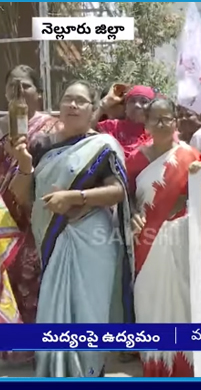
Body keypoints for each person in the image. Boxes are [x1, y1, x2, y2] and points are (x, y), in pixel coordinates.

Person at [6, 80, 130, 377]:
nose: (73, 105)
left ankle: (89, 373)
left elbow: (118, 191)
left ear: (92, 110)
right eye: (67, 99)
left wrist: (74, 197)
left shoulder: (103, 146)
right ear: (58, 106)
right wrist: (24, 165)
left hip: (92, 241)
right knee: (55, 312)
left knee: (89, 313)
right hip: (52, 237)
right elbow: (22, 195)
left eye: (81, 101)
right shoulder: (41, 146)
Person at [127, 98, 201, 377]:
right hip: (146, 245)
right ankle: (156, 369)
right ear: (146, 123)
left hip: (183, 242)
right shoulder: (134, 159)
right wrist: (131, 213)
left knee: (185, 304)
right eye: (155, 119)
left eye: (166, 119)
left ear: (175, 121)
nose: (161, 124)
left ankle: (189, 370)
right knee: (150, 305)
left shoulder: (191, 156)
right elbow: (124, 198)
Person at [0, 66, 58, 348]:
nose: (19, 91)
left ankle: (38, 347)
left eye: (26, 85)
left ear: (39, 93)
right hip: (4, 219)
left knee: (33, 278)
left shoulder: (52, 128)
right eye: (13, 85)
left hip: (38, 215)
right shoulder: (2, 128)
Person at [94, 85, 156, 158]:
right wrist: (103, 105)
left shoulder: (155, 135)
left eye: (144, 101)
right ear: (125, 107)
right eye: (132, 101)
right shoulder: (112, 127)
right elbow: (85, 127)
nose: (137, 105)